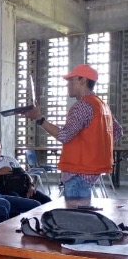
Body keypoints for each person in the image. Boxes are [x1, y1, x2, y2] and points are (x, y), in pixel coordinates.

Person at [24, 64, 124, 198]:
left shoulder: (82, 105)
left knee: (75, 216)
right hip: (91, 170)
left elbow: (65, 135)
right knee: (82, 213)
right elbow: (117, 132)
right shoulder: (101, 104)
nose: (68, 84)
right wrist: (94, 149)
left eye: (71, 80)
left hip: (78, 171)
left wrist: (39, 119)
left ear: (83, 80)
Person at [0, 135, 51, 204]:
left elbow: (25, 174)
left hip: (23, 189)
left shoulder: (10, 159)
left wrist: (31, 186)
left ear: (1, 145)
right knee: (29, 203)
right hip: (4, 192)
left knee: (46, 200)